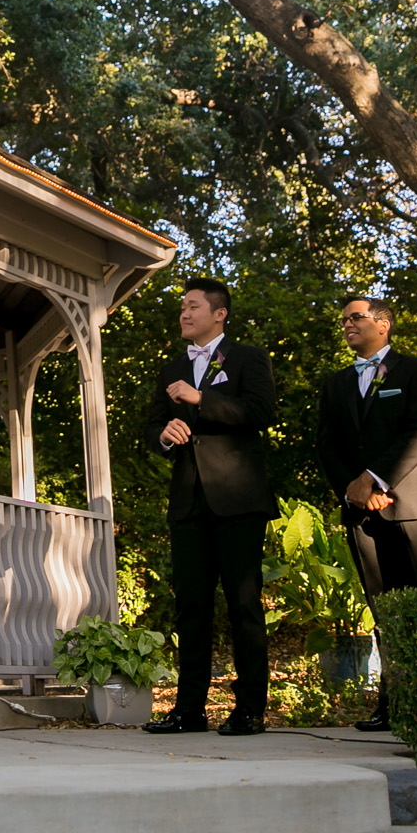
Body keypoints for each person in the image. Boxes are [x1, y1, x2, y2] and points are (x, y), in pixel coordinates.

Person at [140, 277, 276, 738]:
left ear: (219, 313)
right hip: (189, 501)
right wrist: (164, 436)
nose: (184, 314)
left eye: (192, 307)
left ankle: (250, 709)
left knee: (243, 604)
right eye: (182, 308)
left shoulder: (247, 357)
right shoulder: (171, 367)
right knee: (191, 607)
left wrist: (202, 399)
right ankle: (189, 710)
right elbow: (153, 424)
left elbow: (261, 412)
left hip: (238, 499)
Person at [312, 296, 417, 734]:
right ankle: (393, 703)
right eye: (344, 319)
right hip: (362, 512)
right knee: (383, 610)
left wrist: (376, 479)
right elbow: (327, 445)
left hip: (412, 506)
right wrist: (354, 490)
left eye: (356, 317)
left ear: (384, 324)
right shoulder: (335, 384)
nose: (348, 324)